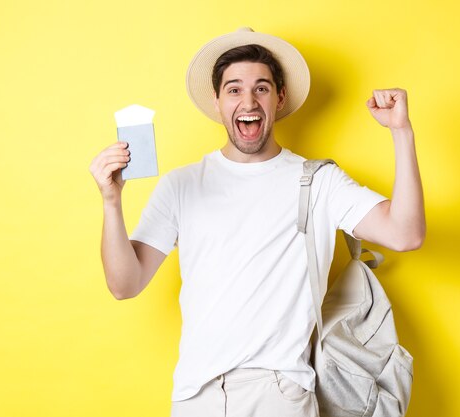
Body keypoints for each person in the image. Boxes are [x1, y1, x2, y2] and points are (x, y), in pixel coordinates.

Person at [89, 28, 425, 417]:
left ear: (279, 98)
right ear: (217, 101)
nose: (248, 100)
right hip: (195, 396)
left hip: (279, 394)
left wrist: (401, 131)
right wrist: (111, 201)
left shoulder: (318, 181)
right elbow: (124, 284)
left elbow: (405, 234)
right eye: (233, 89)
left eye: (261, 88)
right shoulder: (181, 185)